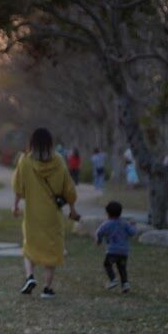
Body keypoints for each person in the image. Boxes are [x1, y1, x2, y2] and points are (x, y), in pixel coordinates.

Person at [12, 128, 79, 299]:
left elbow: (18, 186)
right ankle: (47, 288)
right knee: (52, 249)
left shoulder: (25, 161)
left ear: (32, 142)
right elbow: (69, 188)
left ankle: (30, 277)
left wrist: (15, 205)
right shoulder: (59, 161)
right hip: (52, 215)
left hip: (33, 213)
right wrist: (72, 209)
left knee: (29, 246)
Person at [95, 201, 136, 293]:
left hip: (112, 251)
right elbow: (132, 233)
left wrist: (99, 240)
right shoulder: (125, 223)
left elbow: (99, 232)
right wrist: (134, 225)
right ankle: (125, 284)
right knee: (122, 267)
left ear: (108, 213)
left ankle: (113, 279)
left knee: (107, 264)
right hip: (124, 251)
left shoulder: (107, 224)